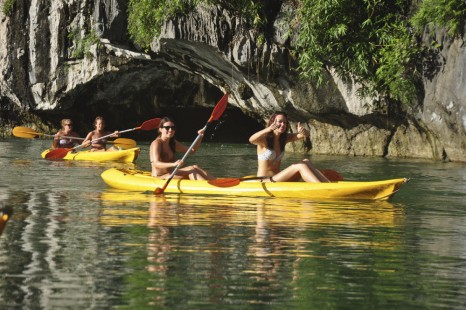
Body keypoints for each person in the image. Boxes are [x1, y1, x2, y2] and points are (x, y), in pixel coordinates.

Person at [249, 111, 330, 183]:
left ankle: (327, 184)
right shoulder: (264, 140)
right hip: (265, 180)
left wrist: (304, 132)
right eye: (280, 122)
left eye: (285, 122)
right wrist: (268, 129)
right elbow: (251, 140)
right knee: (300, 166)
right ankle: (321, 187)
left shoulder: (283, 139)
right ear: (272, 122)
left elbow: (303, 135)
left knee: (306, 161)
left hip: (278, 178)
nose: (283, 124)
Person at [149, 117, 215, 180]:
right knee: (191, 171)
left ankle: (217, 182)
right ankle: (210, 188)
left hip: (171, 174)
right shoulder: (156, 143)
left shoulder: (172, 142)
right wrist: (174, 164)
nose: (170, 130)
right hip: (159, 177)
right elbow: (156, 164)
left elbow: (192, 150)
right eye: (167, 128)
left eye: (173, 128)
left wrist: (200, 136)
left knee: (195, 167)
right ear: (160, 129)